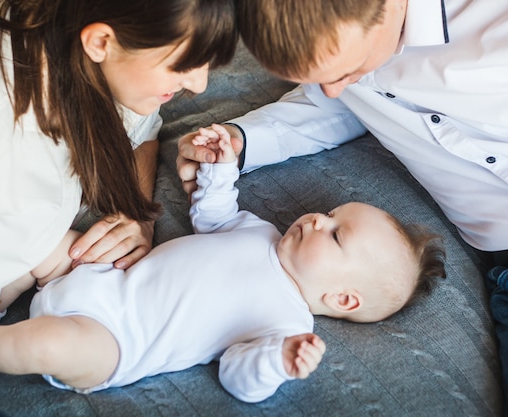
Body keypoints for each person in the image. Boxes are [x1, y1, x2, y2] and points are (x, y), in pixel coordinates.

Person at [0, 123, 446, 404]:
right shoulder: (261, 232)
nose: (316, 219)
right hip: (101, 274)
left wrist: (278, 362)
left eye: (335, 235)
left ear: (342, 299)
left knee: (44, 345)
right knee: (36, 237)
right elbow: (213, 214)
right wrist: (220, 166)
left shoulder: (286, 325)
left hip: (112, 342)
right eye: (329, 212)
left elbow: (239, 378)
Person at [0, 0, 237, 401]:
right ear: (101, 40)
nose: (200, 84)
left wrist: (135, 212)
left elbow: (144, 127)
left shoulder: (98, 64)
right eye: (183, 63)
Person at [175, 0, 508, 410]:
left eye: (350, 70)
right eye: (322, 77)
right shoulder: (347, 65)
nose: (336, 87)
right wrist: (240, 141)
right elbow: (332, 104)